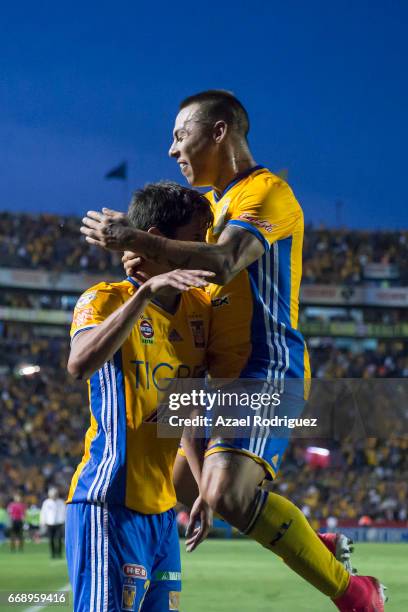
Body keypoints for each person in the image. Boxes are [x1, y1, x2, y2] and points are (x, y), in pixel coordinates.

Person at [80, 90, 386, 611]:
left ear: (219, 132)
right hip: (211, 376)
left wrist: (136, 237)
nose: (172, 148)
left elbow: (225, 262)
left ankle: (355, 593)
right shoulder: (211, 208)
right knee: (163, 488)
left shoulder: (268, 193)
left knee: (224, 493)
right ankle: (318, 545)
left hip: (263, 365)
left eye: (181, 135)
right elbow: (194, 285)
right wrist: (147, 266)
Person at [66, 182, 214, 612]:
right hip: (109, 504)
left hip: (163, 513)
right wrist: (145, 293)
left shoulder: (199, 314)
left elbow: (183, 404)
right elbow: (80, 364)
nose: (202, 248)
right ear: (155, 237)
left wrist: (203, 484)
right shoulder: (103, 298)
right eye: (194, 238)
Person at [40, 488, 65, 558]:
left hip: (59, 523)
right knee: (51, 539)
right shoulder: (46, 503)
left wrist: (63, 521)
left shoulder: (61, 502)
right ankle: (53, 553)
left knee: (59, 538)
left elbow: (64, 512)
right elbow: (43, 513)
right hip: (50, 523)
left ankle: (59, 553)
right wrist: (43, 521)